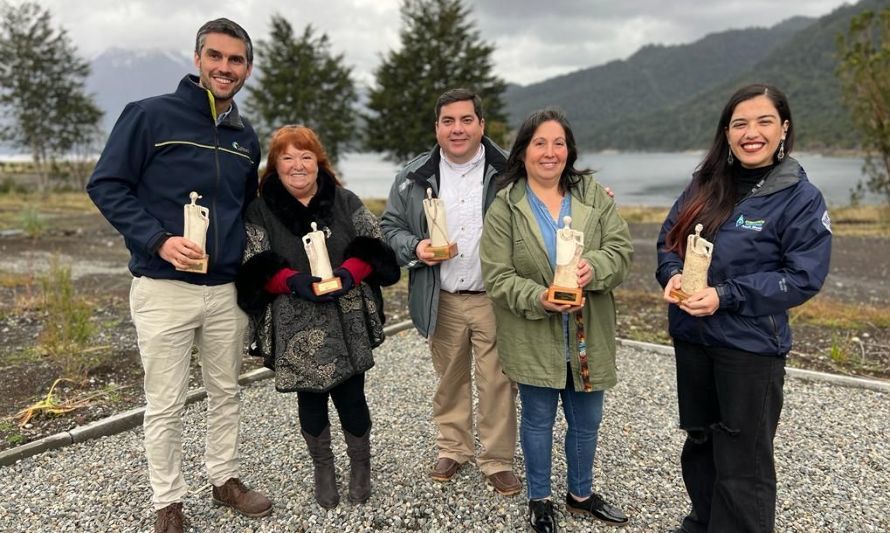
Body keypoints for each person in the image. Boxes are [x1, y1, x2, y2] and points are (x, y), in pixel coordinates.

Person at [86, 18, 271, 533]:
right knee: (164, 401)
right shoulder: (149, 117)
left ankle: (225, 479)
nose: (225, 68)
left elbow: (247, 208)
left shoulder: (244, 137)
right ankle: (168, 501)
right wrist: (159, 240)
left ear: (247, 69)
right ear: (197, 59)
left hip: (225, 290)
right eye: (216, 56)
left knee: (226, 391)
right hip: (163, 288)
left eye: (236, 60)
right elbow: (106, 185)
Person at [656, 84, 833, 533]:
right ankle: (704, 521)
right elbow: (668, 242)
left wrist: (725, 295)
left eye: (763, 121)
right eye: (740, 124)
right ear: (727, 133)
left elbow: (801, 276)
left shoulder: (800, 197)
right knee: (699, 442)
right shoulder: (704, 183)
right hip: (692, 339)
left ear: (784, 129)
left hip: (749, 347)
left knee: (743, 460)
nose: (751, 133)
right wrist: (671, 274)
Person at [480, 108, 633, 532]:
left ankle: (581, 494)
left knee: (587, 420)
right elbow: (498, 276)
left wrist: (594, 268)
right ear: (524, 151)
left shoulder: (593, 195)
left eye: (559, 143)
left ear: (570, 150)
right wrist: (539, 298)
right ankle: (540, 498)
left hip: (588, 333)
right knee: (537, 419)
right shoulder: (505, 207)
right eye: (540, 143)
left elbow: (621, 252)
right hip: (533, 332)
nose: (550, 152)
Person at [235, 125, 400, 509]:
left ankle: (361, 466)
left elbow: (377, 248)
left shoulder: (344, 200)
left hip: (347, 319)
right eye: (287, 157)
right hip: (295, 321)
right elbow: (253, 266)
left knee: (352, 396)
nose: (298, 165)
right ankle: (323, 467)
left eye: (306, 156)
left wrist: (349, 274)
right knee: (310, 401)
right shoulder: (260, 209)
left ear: (318, 162)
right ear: (274, 166)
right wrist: (293, 282)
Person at [380, 88, 522, 496]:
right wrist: (416, 248)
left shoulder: (509, 171)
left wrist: (592, 197)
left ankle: (497, 460)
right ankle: (453, 448)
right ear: (437, 127)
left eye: (465, 120)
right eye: (448, 121)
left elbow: (552, 196)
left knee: (497, 381)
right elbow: (390, 227)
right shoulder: (412, 176)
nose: (457, 129)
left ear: (480, 124)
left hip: (494, 297)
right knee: (450, 378)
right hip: (440, 296)